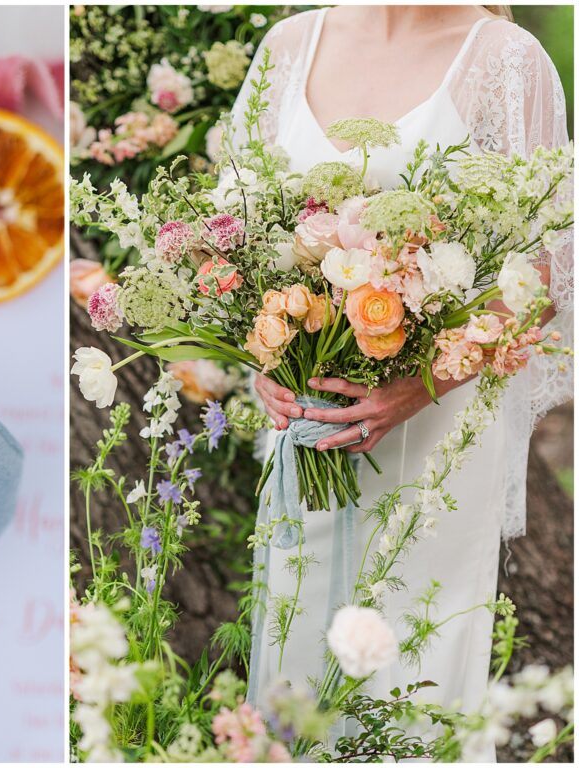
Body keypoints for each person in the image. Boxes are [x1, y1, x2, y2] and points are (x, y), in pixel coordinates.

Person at [231, 5, 572, 758]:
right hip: (307, 420)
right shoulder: (290, 44)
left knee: (412, 666)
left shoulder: (506, 62)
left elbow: (544, 276)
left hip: (439, 433)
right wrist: (264, 360)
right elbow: (234, 228)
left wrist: (416, 386)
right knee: (294, 652)